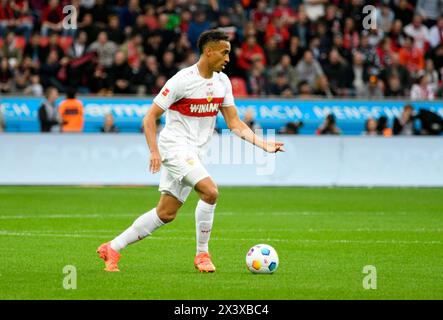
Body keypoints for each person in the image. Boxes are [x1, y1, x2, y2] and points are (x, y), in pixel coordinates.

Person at [97, 30, 284, 273]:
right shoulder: (181, 80)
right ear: (208, 51)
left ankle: (112, 247)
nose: (228, 58)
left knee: (166, 213)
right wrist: (154, 151)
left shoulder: (222, 82)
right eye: (224, 52)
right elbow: (149, 118)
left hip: (194, 153)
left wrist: (263, 144)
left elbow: (235, 123)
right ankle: (202, 254)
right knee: (210, 192)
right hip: (174, 146)